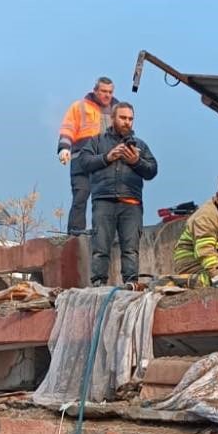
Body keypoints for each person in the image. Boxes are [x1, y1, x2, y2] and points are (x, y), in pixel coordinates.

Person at [86, 102, 158, 284]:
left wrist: (136, 161)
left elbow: (152, 170)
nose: (127, 122)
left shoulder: (140, 145)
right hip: (103, 201)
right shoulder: (97, 141)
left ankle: (131, 284)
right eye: (123, 118)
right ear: (113, 118)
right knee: (100, 247)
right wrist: (107, 157)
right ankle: (98, 284)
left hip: (131, 203)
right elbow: (83, 163)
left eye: (130, 119)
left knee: (131, 249)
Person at [57, 76, 117, 236]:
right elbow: (67, 129)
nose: (107, 95)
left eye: (110, 92)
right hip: (81, 159)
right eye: (104, 91)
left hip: (105, 162)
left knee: (106, 199)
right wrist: (64, 148)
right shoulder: (80, 107)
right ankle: (75, 233)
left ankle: (105, 232)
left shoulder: (117, 110)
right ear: (95, 91)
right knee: (80, 196)